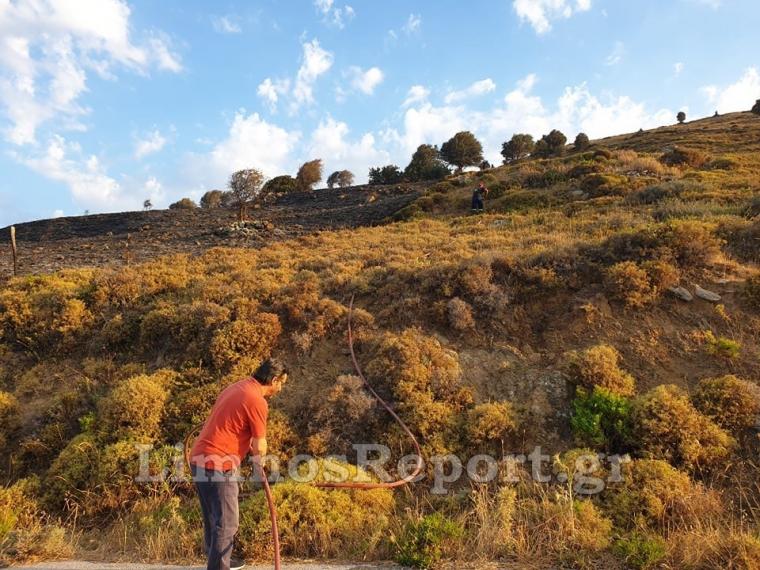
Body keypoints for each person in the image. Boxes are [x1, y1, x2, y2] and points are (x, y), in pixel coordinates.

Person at [190, 358, 288, 570]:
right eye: (281, 383)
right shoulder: (257, 400)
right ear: (273, 380)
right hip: (218, 464)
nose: (280, 388)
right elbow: (259, 445)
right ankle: (219, 566)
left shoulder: (238, 386)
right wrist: (259, 461)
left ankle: (219, 558)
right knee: (227, 523)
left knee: (213, 518)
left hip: (199, 458)